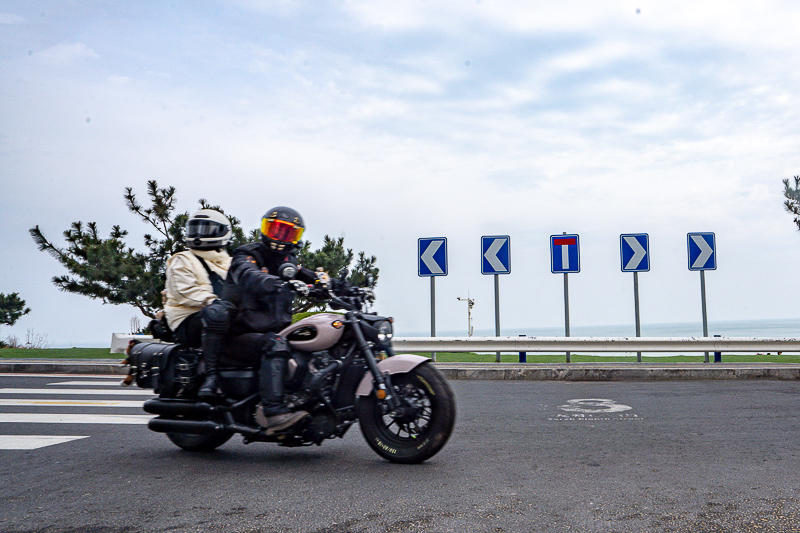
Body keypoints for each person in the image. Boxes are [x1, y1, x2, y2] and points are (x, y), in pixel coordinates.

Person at [224, 206, 322, 433]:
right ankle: (273, 411)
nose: (280, 238)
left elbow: (309, 276)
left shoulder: (288, 261)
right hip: (239, 333)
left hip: (271, 331)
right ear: (264, 228)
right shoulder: (247, 254)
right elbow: (248, 274)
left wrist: (340, 287)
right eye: (275, 230)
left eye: (287, 233)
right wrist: (274, 282)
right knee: (275, 343)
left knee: (308, 346)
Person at [164, 209, 234, 398]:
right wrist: (213, 301)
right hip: (187, 320)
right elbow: (184, 291)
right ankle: (212, 377)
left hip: (220, 316)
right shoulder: (182, 259)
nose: (198, 235)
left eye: (206, 229)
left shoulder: (230, 262)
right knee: (216, 313)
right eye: (194, 229)